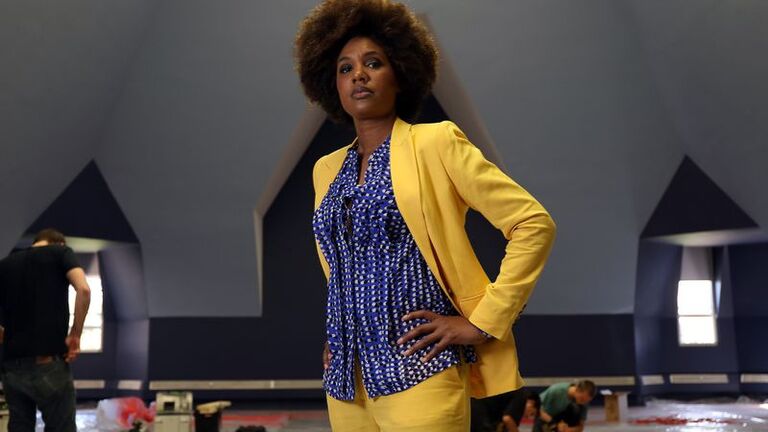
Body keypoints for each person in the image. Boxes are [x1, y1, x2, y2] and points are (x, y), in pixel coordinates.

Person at [296, 0, 556, 430]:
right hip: (345, 380)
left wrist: (482, 321)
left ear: (400, 72)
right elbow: (342, 262)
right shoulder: (325, 170)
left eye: (373, 63)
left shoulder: (436, 143)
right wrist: (339, 333)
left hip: (421, 371)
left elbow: (533, 223)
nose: (358, 75)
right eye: (345, 68)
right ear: (332, 84)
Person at [0, 228, 91, 432]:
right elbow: (83, 290)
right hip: (48, 365)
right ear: (58, 244)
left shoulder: (5, 264)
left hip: (11, 368)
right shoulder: (61, 253)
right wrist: (75, 334)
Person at [471, 388, 540, 432]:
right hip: (479, 411)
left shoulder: (514, 393)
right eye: (531, 413)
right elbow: (508, 419)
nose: (527, 416)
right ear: (531, 402)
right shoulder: (522, 396)